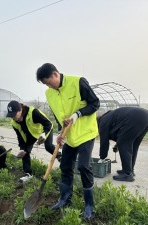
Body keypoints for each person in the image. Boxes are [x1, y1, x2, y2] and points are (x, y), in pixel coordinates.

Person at [36, 63, 99, 219]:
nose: (49, 87)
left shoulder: (78, 82)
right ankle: (65, 198)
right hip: (69, 136)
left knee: (83, 166)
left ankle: (89, 204)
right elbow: (59, 116)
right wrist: (60, 133)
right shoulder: (50, 94)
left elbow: (95, 103)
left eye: (49, 82)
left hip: (85, 133)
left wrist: (77, 114)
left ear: (55, 74)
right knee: (65, 166)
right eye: (46, 84)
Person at [6, 100, 62, 183]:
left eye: (14, 114)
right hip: (31, 135)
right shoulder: (14, 123)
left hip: (44, 130)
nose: (13, 117)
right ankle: (28, 174)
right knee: (24, 152)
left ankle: (61, 157)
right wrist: (22, 148)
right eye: (11, 115)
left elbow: (48, 124)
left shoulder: (33, 112)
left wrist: (44, 134)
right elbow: (20, 137)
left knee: (48, 146)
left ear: (20, 110)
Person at [97, 107, 148, 182]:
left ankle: (127, 174)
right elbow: (121, 132)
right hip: (147, 117)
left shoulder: (102, 123)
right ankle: (129, 170)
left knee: (124, 143)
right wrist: (117, 145)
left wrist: (102, 158)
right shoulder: (108, 117)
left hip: (136, 117)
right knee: (133, 144)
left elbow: (104, 142)